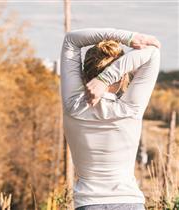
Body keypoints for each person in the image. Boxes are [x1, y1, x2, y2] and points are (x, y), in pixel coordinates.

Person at [59, 28, 161, 210]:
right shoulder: (129, 109)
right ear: (122, 77)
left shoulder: (73, 106)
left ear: (83, 74)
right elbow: (152, 53)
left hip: (88, 205)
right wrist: (106, 78)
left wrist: (130, 38)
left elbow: (71, 40)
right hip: (130, 204)